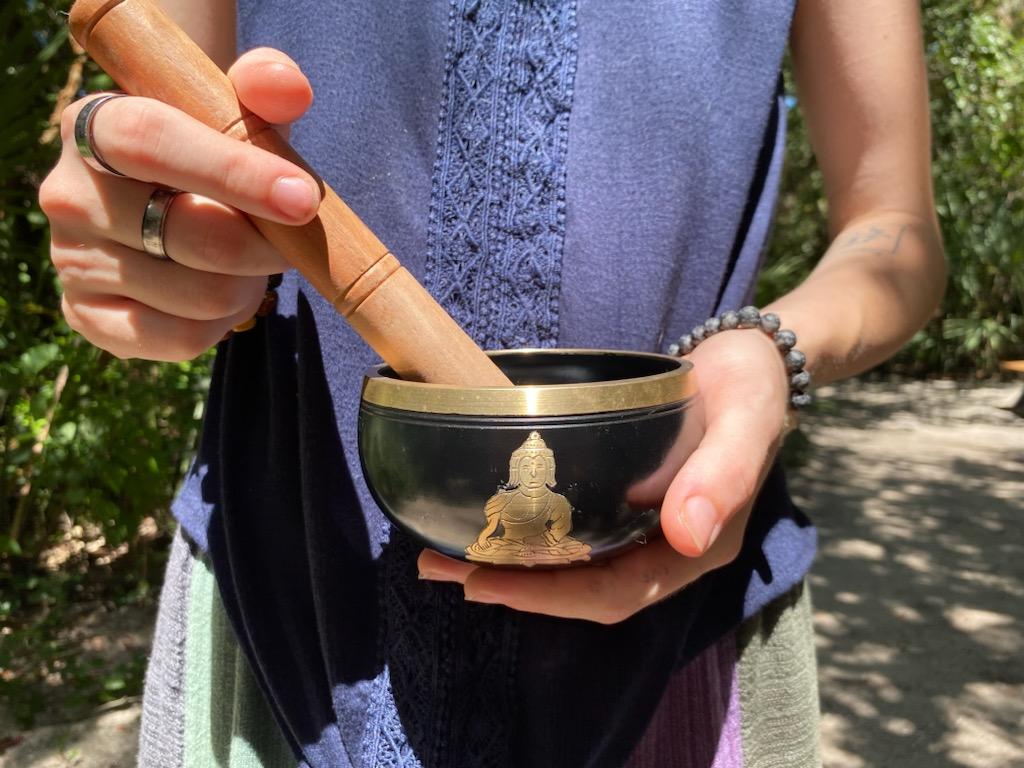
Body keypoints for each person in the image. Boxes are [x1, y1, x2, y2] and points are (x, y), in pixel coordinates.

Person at [40, 0, 945, 765]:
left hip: (692, 630)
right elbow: (143, 156)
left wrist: (773, 349)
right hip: (286, 595)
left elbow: (894, 227)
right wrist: (138, 231)